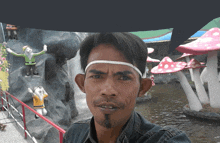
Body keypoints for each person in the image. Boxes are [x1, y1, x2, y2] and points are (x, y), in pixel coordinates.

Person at [63, 33, 191, 143]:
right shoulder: (74, 134)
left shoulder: (166, 140)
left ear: (143, 87)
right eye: (97, 76)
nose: (108, 91)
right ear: (81, 84)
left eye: (123, 78)